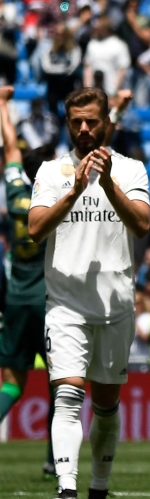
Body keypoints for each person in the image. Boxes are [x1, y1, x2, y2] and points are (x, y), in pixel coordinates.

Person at [28, 86, 148, 499]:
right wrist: (75, 189)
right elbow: (35, 228)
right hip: (65, 305)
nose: (83, 129)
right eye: (76, 121)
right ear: (67, 123)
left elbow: (142, 223)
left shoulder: (131, 169)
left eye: (91, 121)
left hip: (115, 306)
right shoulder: (51, 171)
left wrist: (108, 181)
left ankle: (99, 490)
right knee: (67, 395)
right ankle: (67, 489)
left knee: (106, 403)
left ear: (105, 122)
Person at [0, 87, 57, 478]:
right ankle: (55, 459)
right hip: (52, 302)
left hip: (15, 300)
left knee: (12, 385)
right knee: (62, 385)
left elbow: (10, 152)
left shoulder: (16, 192)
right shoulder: (57, 203)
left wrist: (2, 105)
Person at [83, 16, 129, 95]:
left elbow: (122, 69)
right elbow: (88, 67)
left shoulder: (119, 45)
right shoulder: (92, 44)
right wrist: (87, 89)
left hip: (111, 89)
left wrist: (115, 90)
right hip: (94, 91)